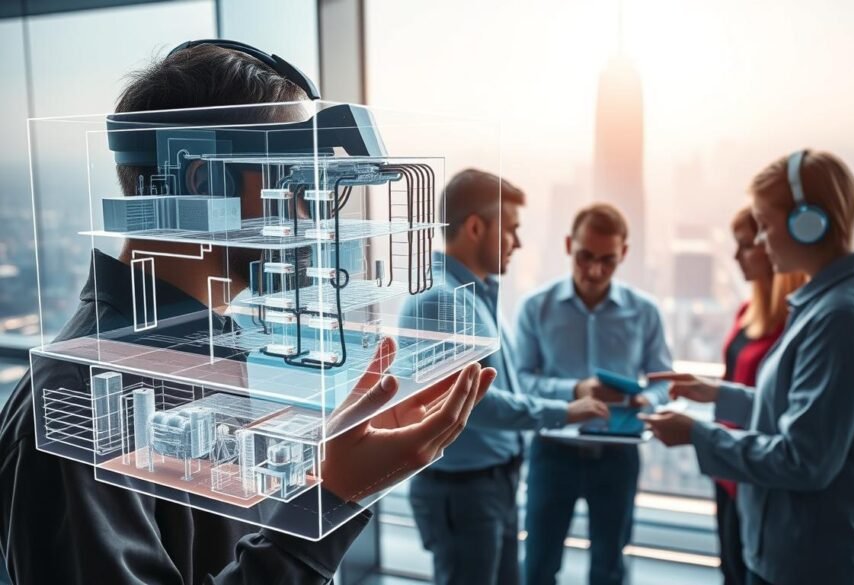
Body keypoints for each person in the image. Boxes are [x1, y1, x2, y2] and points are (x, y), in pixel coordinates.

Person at [0, 41, 496, 585]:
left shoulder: (212, 344)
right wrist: (332, 499)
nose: (310, 217)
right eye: (296, 182)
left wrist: (334, 462)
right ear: (202, 182)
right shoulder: (78, 401)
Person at [644, 149, 854, 585]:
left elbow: (803, 460)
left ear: (808, 223)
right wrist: (718, 393)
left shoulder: (844, 320)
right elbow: (797, 414)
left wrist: (697, 434)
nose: (763, 242)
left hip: (811, 568)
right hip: (788, 557)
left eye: (766, 226)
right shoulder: (826, 305)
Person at [399, 170, 609, 585]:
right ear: (476, 227)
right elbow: (477, 403)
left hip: (490, 485)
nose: (519, 242)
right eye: (511, 229)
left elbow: (505, 383)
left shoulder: (477, 293)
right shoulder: (444, 299)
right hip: (463, 491)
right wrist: (564, 411)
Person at [516, 203, 673, 585]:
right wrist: (575, 390)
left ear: (624, 255)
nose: (595, 271)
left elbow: (663, 382)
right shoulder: (536, 308)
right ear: (569, 245)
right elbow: (520, 381)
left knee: (610, 567)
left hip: (618, 455)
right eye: (586, 257)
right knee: (538, 565)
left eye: (608, 260)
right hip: (553, 452)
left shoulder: (645, 311)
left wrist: (645, 401)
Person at [712, 206, 807, 585]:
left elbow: (779, 412)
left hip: (758, 475)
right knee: (731, 570)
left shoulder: (794, 324)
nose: (736, 256)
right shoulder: (746, 311)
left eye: (746, 245)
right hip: (727, 470)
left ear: (771, 247)